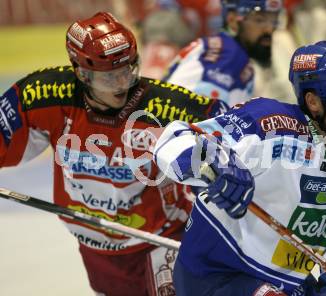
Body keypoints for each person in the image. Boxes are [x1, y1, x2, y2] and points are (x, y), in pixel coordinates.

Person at [0, 12, 227, 296]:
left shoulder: (164, 107)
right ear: (82, 73)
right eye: (109, 78)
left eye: (128, 71)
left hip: (159, 241)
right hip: (94, 246)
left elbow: (229, 128)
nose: (122, 84)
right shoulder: (46, 93)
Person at [153, 40, 326, 295]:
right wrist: (216, 165)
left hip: (283, 281)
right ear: (313, 102)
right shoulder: (265, 123)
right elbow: (173, 138)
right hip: (215, 273)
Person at [163, 0, 284, 106]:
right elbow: (192, 115)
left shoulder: (225, 50)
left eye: (274, 20)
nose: (269, 29)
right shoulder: (228, 54)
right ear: (232, 20)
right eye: (259, 20)